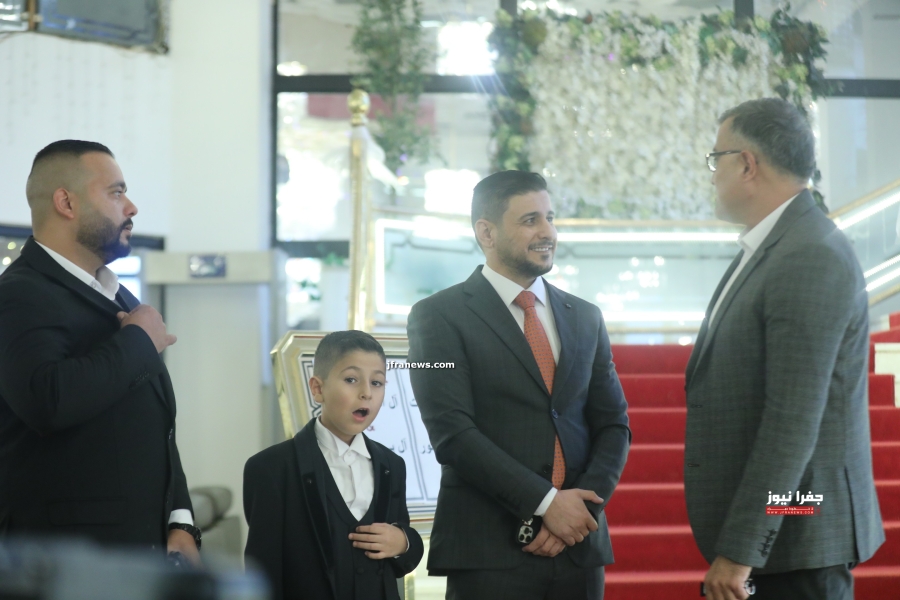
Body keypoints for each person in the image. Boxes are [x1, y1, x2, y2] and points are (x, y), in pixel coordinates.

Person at [685, 98, 885, 600]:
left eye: (716, 159)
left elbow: (792, 420)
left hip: (798, 539)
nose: (712, 174)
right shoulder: (777, 246)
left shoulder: (809, 254)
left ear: (747, 165)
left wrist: (742, 550)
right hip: (784, 541)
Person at [406, 170, 631, 600]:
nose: (548, 232)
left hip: (578, 550)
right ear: (486, 233)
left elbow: (614, 425)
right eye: (530, 220)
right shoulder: (436, 317)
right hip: (489, 553)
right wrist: (547, 504)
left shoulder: (585, 316)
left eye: (550, 218)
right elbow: (452, 433)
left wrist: (577, 511)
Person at [0, 140, 200, 562]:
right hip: (67, 563)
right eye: (116, 192)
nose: (131, 207)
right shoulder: (18, 294)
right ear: (66, 203)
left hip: (137, 554)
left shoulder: (118, 295)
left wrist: (180, 521)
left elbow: (155, 426)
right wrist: (138, 341)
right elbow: (47, 400)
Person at [243, 330, 424, 600]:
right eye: (351, 379)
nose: (366, 393)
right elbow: (262, 574)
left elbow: (402, 557)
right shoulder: (271, 468)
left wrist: (403, 542)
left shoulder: (392, 464)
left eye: (377, 382)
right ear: (318, 388)